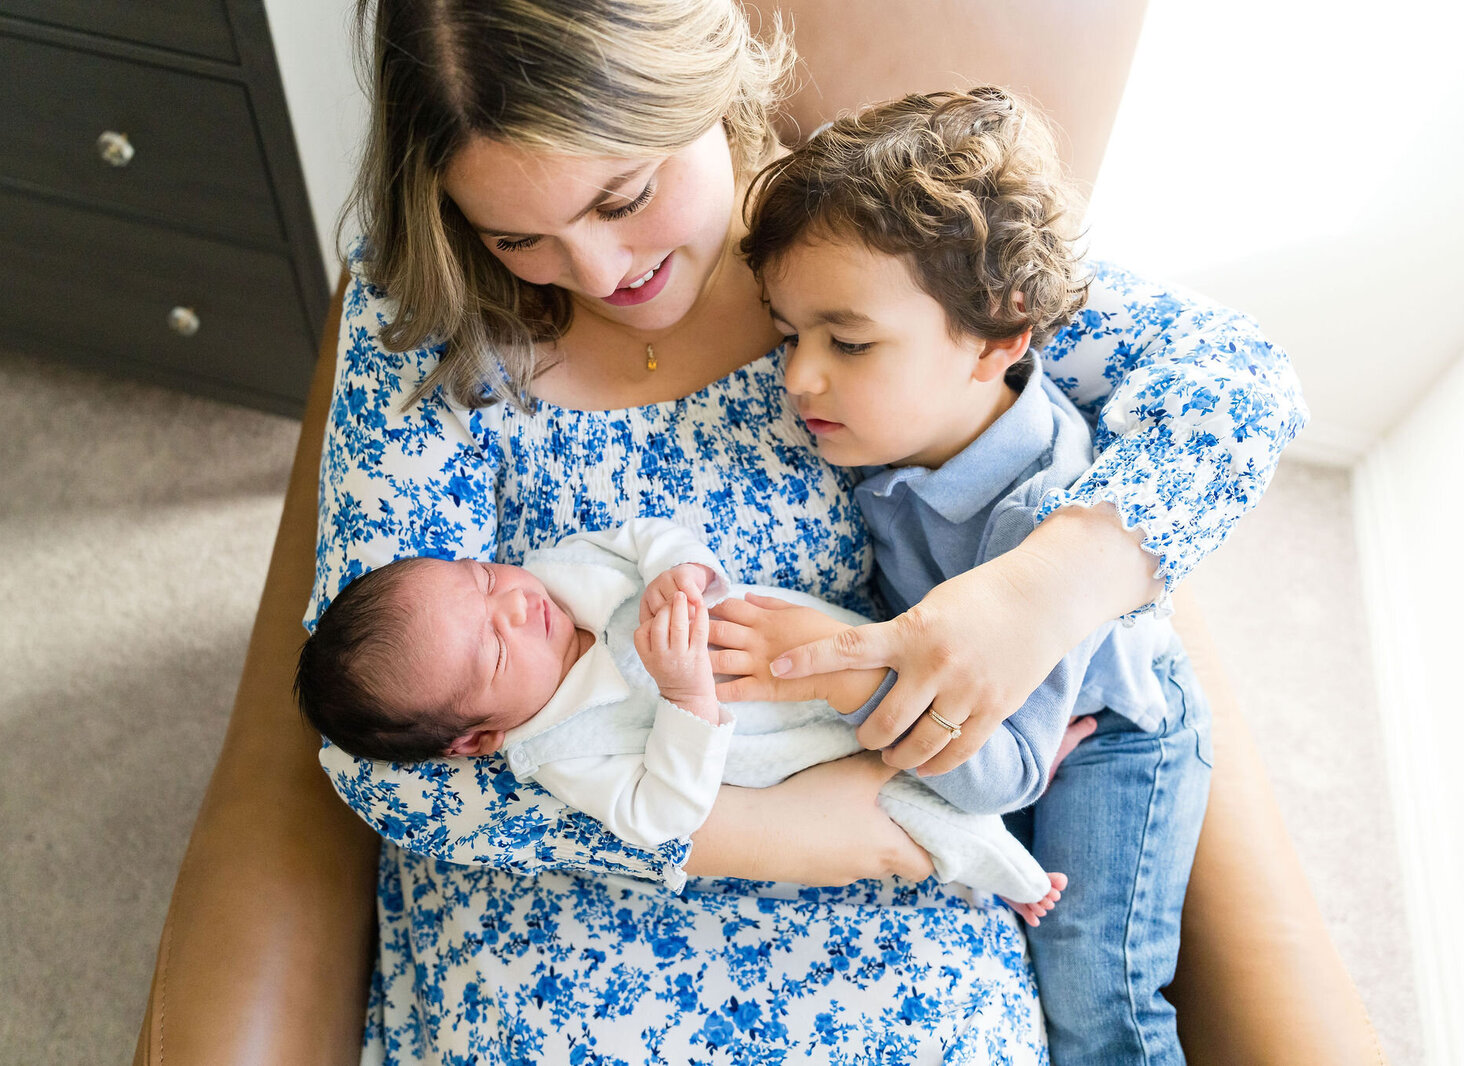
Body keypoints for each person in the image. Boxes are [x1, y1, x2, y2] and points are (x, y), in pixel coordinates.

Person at [311, 0, 1307, 1059]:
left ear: (709, 81)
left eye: (625, 196)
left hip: (898, 884)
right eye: (518, 237)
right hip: (580, 892)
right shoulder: (428, 309)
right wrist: (766, 837)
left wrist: (1037, 594)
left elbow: (1239, 387)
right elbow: (378, 746)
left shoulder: (875, 253)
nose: (598, 272)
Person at [724, 88, 1211, 1063]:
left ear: (998, 338)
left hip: (1103, 747)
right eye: (788, 334)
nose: (797, 378)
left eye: (847, 342)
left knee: (1093, 998)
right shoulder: (880, 431)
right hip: (1000, 729)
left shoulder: (1033, 514)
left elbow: (1004, 772)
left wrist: (837, 667)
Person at [297, 517, 1062, 909]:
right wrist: (685, 698)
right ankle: (1019, 878)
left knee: (928, 661)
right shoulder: (562, 754)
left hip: (813, 639)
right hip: (797, 750)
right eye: (494, 651)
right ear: (482, 737)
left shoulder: (559, 572)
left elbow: (645, 536)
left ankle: (1036, 715)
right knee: (928, 801)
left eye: (478, 578)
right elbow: (660, 813)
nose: (515, 606)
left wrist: (678, 572)